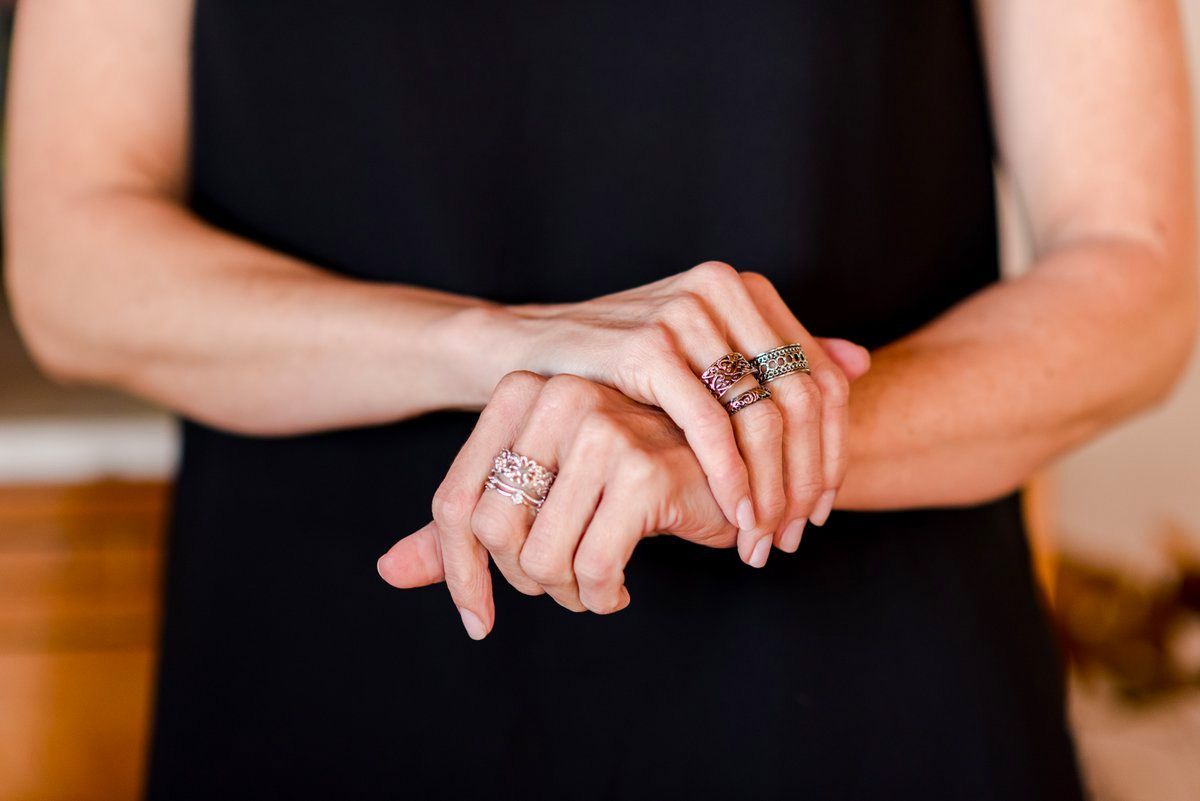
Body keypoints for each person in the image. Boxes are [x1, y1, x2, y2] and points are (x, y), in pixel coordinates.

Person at [5, 1, 1194, 798]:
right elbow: (70, 270)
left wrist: (727, 441)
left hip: (863, 698)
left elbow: (1140, 273)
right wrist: (511, 349)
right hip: (329, 683)